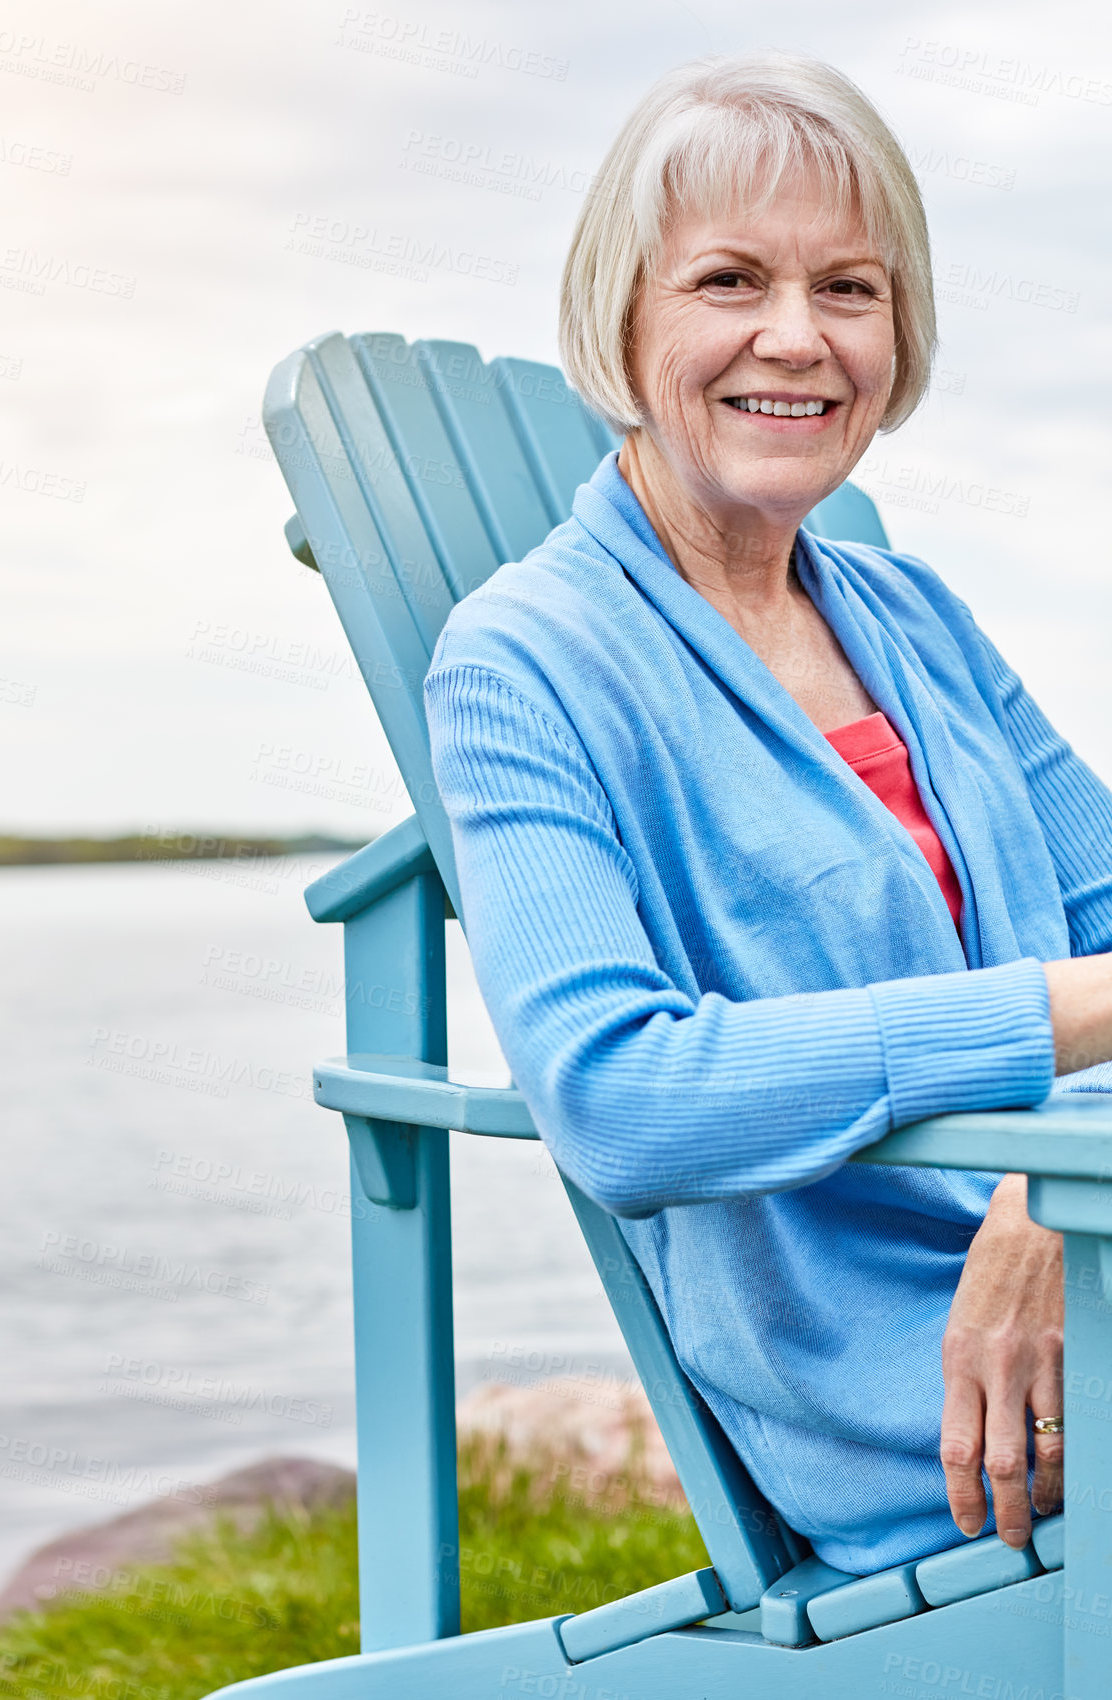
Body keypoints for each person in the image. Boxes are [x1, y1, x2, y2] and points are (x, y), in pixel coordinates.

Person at [422, 52, 1112, 1575]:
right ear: (624, 317)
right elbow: (620, 1095)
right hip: (933, 1399)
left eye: (849, 289)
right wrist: (1058, 1032)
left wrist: (1054, 1186)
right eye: (729, 280)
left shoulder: (912, 616)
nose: (795, 338)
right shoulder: (524, 663)